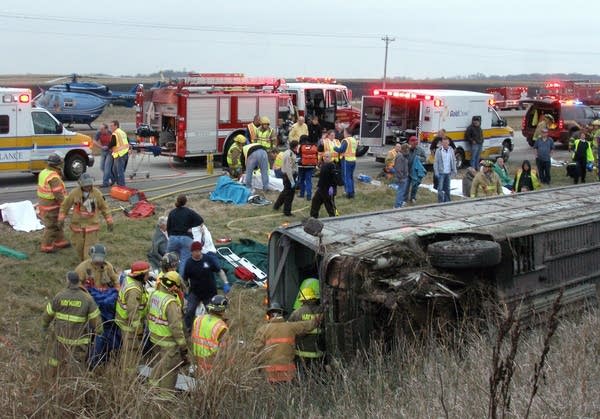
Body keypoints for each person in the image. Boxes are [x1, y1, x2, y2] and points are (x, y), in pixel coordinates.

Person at [42, 271, 103, 377]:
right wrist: (99, 332)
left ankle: (51, 378)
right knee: (77, 364)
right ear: (78, 282)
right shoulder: (87, 298)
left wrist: (44, 326)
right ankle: (75, 384)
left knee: (55, 360)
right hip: (79, 340)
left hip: (60, 338)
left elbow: (48, 314)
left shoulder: (59, 296)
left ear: (68, 281)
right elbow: (96, 320)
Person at [252, 302, 317, 384]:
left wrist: (258, 368)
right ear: (282, 314)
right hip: (288, 373)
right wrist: (320, 316)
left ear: (270, 315)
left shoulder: (263, 330)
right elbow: (309, 325)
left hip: (270, 374)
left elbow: (256, 351)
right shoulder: (291, 327)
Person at [146, 271, 188, 389]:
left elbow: (147, 313)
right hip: (168, 342)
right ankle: (166, 396)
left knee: (158, 364)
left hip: (154, 337)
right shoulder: (170, 302)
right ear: (174, 286)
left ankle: (153, 388)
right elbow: (175, 327)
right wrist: (183, 345)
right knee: (169, 370)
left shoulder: (154, 294)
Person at [58, 173, 113, 261]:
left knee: (89, 249)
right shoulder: (74, 193)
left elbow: (104, 207)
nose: (88, 187)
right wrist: (61, 219)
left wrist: (109, 221)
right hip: (78, 226)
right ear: (80, 185)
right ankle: (83, 262)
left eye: (89, 185)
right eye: (85, 185)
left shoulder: (97, 193)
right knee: (78, 247)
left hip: (92, 226)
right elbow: (65, 206)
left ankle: (87, 265)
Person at [182, 241, 229, 332]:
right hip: (195, 293)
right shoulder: (189, 263)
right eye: (195, 251)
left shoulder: (208, 259)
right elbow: (185, 280)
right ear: (191, 252)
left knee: (214, 313)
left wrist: (226, 282)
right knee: (189, 311)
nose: (198, 253)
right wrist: (185, 291)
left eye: (199, 250)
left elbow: (220, 271)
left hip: (210, 293)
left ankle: (219, 330)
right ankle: (189, 329)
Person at [115, 261, 150, 368]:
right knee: (131, 350)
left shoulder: (129, 280)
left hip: (124, 321)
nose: (148, 276)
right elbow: (133, 312)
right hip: (129, 325)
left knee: (129, 349)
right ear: (141, 275)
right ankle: (128, 375)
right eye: (147, 274)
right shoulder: (134, 290)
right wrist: (138, 329)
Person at [37, 152, 69, 253]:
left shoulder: (44, 172)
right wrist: (65, 204)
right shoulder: (54, 177)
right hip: (51, 206)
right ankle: (46, 246)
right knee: (52, 226)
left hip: (44, 204)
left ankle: (60, 241)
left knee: (58, 223)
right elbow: (58, 194)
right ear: (57, 165)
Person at [166, 194, 204, 277]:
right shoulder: (189, 212)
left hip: (173, 238)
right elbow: (200, 220)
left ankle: (164, 278)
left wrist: (170, 237)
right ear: (186, 202)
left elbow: (168, 227)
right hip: (186, 239)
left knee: (168, 259)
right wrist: (190, 226)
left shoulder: (172, 213)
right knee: (184, 261)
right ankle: (181, 282)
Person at [288, 288, 324, 373]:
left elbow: (289, 330)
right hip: (317, 352)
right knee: (317, 376)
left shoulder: (296, 313)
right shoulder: (322, 311)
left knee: (302, 376)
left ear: (302, 300)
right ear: (314, 298)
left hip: (301, 353)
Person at [191, 295, 229, 371]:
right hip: (211, 364)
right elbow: (224, 351)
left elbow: (192, 338)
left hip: (197, 360)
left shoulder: (198, 319)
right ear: (223, 310)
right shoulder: (221, 327)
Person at [273, 140, 299, 217]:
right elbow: (288, 169)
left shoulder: (289, 152)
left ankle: (277, 205)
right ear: (295, 147)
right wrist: (292, 181)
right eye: (297, 146)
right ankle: (287, 212)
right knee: (289, 195)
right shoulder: (289, 155)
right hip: (289, 176)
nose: (298, 147)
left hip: (289, 175)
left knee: (285, 192)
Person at [310, 152, 338, 218]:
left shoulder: (332, 166)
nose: (325, 158)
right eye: (324, 156)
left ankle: (334, 217)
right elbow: (322, 174)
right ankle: (313, 216)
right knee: (315, 201)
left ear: (331, 158)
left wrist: (332, 188)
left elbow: (335, 178)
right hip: (321, 188)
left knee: (329, 204)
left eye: (327, 157)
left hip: (328, 189)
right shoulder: (324, 165)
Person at [334, 128, 358, 199]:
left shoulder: (346, 140)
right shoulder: (354, 140)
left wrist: (334, 148)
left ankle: (349, 193)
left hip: (346, 160)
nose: (343, 134)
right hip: (353, 160)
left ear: (347, 133)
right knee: (350, 177)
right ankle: (352, 191)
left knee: (346, 177)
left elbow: (341, 149)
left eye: (344, 132)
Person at [433, 137, 457, 203]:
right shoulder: (439, 151)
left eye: (446, 143)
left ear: (448, 143)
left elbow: (454, 160)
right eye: (443, 143)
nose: (445, 144)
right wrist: (436, 172)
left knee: (448, 188)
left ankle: (447, 201)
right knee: (440, 188)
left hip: (448, 172)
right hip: (441, 172)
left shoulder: (451, 150)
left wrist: (454, 170)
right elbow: (436, 162)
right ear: (442, 143)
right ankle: (440, 201)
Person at [405, 135, 427, 203]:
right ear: (410, 142)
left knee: (415, 185)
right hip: (407, 171)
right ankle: (404, 199)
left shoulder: (420, 150)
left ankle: (413, 198)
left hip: (415, 171)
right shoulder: (406, 149)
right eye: (413, 142)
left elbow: (424, 158)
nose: (414, 144)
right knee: (406, 186)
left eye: (416, 142)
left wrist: (418, 158)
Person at [108, 120, 130, 186]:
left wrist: (107, 147)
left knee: (119, 172)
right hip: (123, 153)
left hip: (120, 155)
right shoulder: (123, 132)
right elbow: (127, 141)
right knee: (115, 170)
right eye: (110, 126)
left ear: (116, 126)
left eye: (112, 126)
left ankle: (122, 186)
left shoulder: (115, 133)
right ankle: (119, 184)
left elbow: (112, 143)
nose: (110, 127)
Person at [297, 135, 318, 201]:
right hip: (311, 165)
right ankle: (309, 195)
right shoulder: (313, 146)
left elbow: (297, 154)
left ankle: (302, 194)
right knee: (308, 180)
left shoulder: (300, 146)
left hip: (302, 165)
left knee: (302, 180)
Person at [94, 123, 114, 187]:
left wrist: (110, 147)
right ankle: (114, 179)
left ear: (106, 129)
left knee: (107, 168)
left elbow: (114, 142)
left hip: (110, 152)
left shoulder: (111, 133)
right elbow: (94, 141)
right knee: (102, 167)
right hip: (103, 151)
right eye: (100, 129)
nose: (101, 130)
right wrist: (101, 147)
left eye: (102, 129)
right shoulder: (99, 133)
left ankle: (105, 183)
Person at [393, 143, 410, 208]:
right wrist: (402, 177)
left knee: (402, 191)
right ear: (405, 149)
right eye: (407, 149)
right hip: (401, 178)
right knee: (400, 191)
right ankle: (397, 205)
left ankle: (399, 203)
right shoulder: (400, 157)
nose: (408, 151)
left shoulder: (404, 156)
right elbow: (398, 169)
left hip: (403, 177)